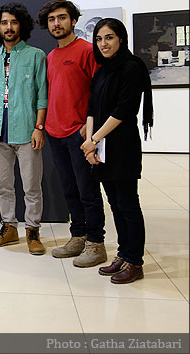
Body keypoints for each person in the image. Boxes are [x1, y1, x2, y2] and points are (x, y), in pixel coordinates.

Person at [81, 18, 153, 284]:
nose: (104, 43)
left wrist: (94, 139)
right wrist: (90, 144)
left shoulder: (131, 67)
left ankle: (135, 261)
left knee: (128, 204)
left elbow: (124, 110)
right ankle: (124, 254)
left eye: (109, 37)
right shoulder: (101, 71)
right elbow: (91, 109)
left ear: (121, 39)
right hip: (101, 147)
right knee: (115, 204)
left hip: (122, 147)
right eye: (99, 39)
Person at [37, 0, 107, 268]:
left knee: (88, 190)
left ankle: (96, 243)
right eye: (52, 19)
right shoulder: (51, 57)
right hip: (56, 133)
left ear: (74, 20)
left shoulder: (88, 51)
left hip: (79, 135)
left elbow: (100, 92)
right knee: (69, 190)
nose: (57, 23)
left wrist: (89, 128)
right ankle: (78, 236)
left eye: (62, 18)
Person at [0, 3, 48, 255]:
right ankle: (9, 227)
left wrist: (39, 127)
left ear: (22, 25)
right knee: (3, 186)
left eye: (14, 22)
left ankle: (33, 231)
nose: (9, 27)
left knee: (32, 187)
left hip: (27, 132)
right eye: (4, 23)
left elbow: (42, 95)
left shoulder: (36, 56)